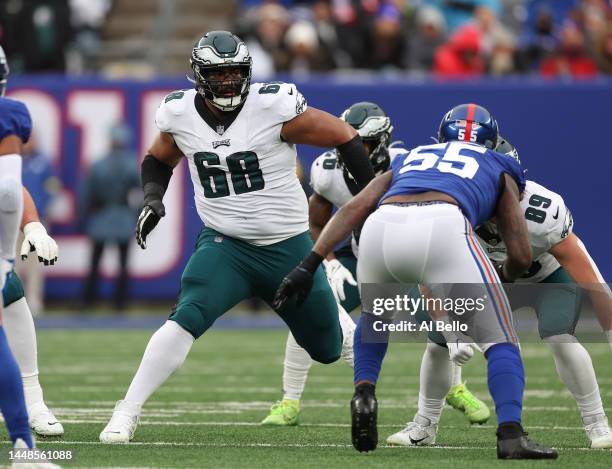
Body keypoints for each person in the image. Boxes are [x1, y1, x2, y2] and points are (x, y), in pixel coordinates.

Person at [99, 30, 375, 443]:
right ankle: (127, 409)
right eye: (219, 73)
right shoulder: (179, 114)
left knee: (328, 350)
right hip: (226, 244)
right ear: (199, 75)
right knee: (187, 315)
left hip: (289, 247)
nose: (228, 81)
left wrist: (368, 194)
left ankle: (335, 317)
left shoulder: (272, 105)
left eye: (234, 72)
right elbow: (158, 159)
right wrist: (153, 198)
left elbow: (343, 135)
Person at [274, 103, 558, 459]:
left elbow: (355, 208)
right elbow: (519, 253)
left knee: (375, 321)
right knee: (500, 336)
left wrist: (310, 263)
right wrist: (503, 281)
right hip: (443, 222)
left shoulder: (415, 156)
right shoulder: (501, 164)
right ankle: (511, 434)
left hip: (380, 228)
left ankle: (364, 393)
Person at [387, 138, 612, 449]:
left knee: (560, 336)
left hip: (544, 278)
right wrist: (447, 326)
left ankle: (597, 422)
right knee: (438, 343)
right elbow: (430, 272)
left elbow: (584, 271)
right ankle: (424, 424)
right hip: (486, 281)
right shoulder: (452, 209)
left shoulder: (541, 213)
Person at [0, 44, 60, 468]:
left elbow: (9, 186)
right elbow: (5, 190)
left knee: (14, 298)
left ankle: (32, 409)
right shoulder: (10, 114)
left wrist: (32, 224)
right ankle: (24, 444)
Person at [79, 123, 140, 311]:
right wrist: (138, 215)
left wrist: (82, 220)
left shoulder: (98, 164)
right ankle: (120, 303)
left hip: (102, 215)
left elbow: (86, 195)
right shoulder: (131, 164)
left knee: (95, 261)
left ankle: (89, 301)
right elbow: (142, 192)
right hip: (122, 215)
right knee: (122, 263)